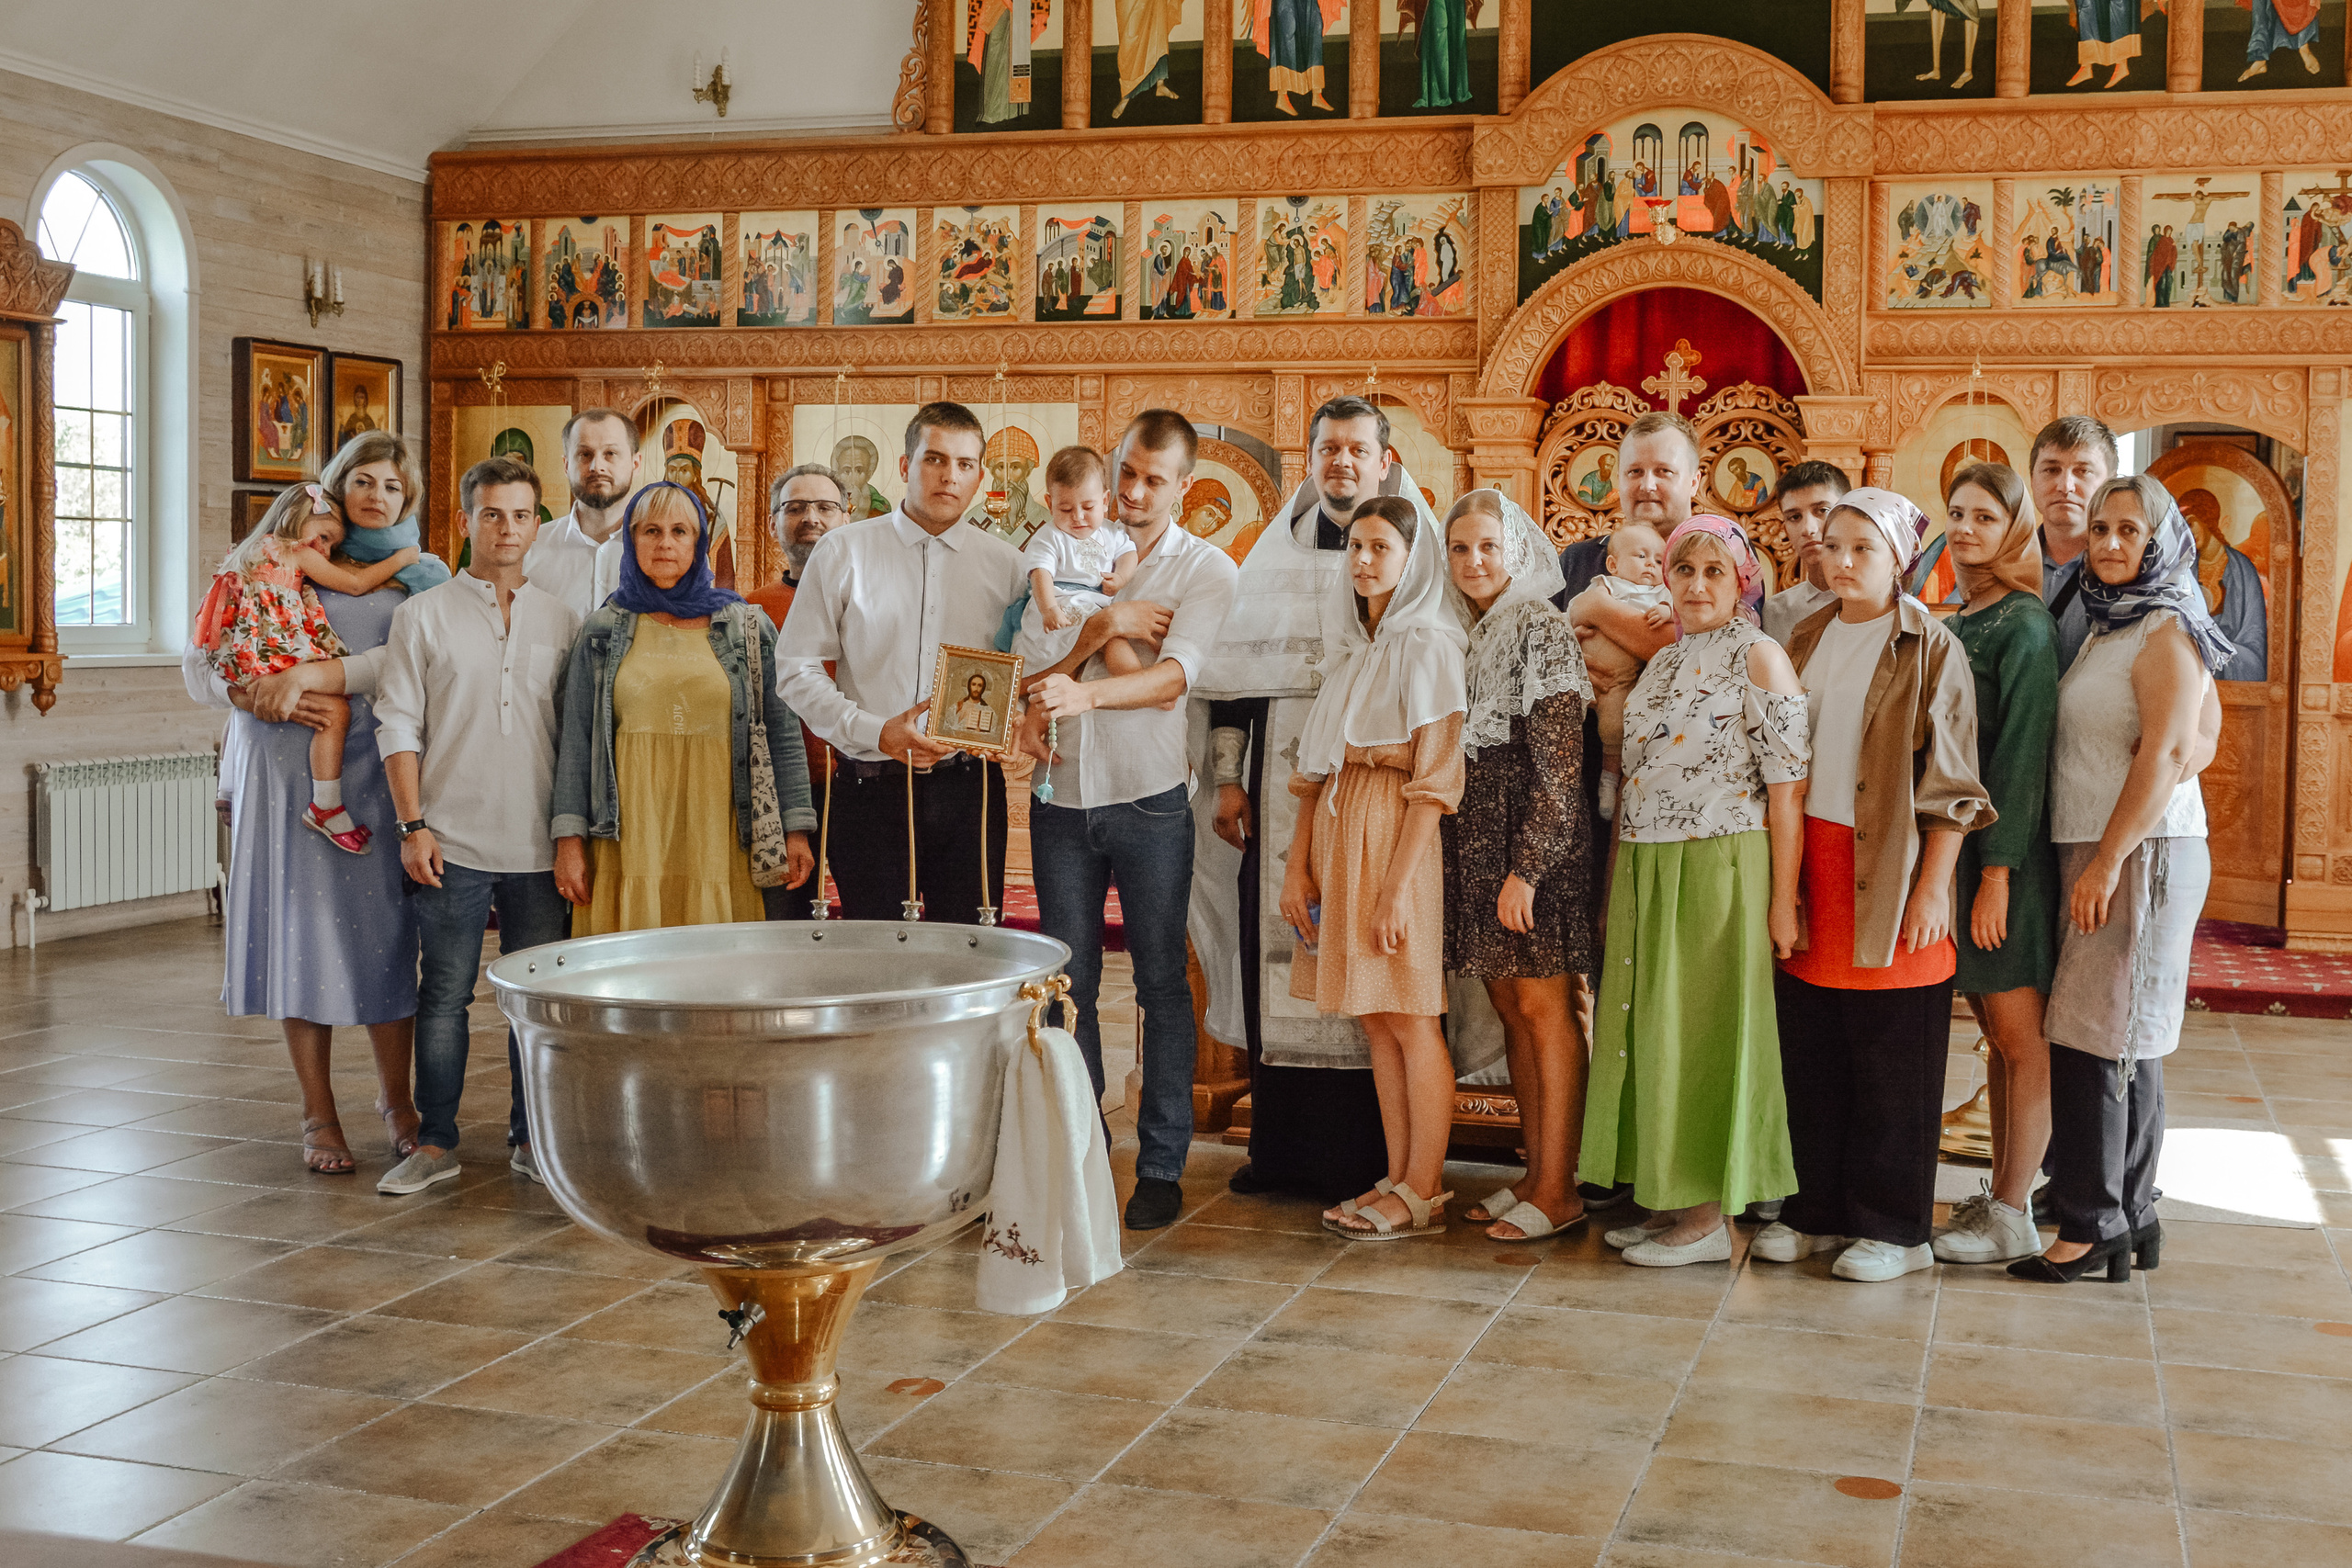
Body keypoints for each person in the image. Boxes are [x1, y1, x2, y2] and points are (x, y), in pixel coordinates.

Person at [1196, 397, 1429, 1204]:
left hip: (1378, 803)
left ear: (1385, 461)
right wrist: (1228, 778)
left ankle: (1382, 1158)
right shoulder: (1269, 561)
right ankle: (1282, 1148)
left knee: (1369, 961)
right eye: (1328, 448)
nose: (1343, 462)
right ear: (1310, 459)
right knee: (1285, 946)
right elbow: (1232, 685)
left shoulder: (1412, 554)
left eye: (1358, 449)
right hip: (1282, 791)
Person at [184, 432, 432, 1174]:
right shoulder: (280, 552)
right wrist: (245, 689)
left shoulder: (421, 576)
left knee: (383, 937)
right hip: (282, 767)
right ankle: (318, 1113)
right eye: (362, 479)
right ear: (337, 484)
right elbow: (200, 660)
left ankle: (399, 1101)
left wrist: (314, 677)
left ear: (406, 498)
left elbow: (417, 666)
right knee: (300, 935)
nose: (376, 494)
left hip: (374, 771)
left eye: (392, 485)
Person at [1764, 489, 1994, 1282]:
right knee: (1817, 1046)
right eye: (1833, 545)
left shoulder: (1932, 648)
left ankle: (1894, 1226)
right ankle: (1818, 1210)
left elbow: (1956, 784)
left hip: (1893, 865)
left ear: (1899, 558)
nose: (1844, 560)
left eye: (1863, 547)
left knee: (1893, 1051)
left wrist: (1935, 886)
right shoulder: (1804, 635)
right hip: (1813, 862)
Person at [1019, 411, 1240, 1231]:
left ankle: (1160, 1163)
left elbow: (1174, 678)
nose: (1135, 492)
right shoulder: (1065, 553)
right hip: (1059, 797)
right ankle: (1081, 1149)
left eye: (1155, 479)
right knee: (1069, 986)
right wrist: (1103, 628)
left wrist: (1084, 686)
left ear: (1186, 486)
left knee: (1157, 981)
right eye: (1127, 474)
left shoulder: (1207, 568)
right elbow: (1024, 669)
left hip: (1150, 798)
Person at [2015, 475, 2227, 1283]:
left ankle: (2090, 1220)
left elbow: (2169, 754)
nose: (2107, 542)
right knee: (2118, 1030)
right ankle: (2130, 1216)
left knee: (2095, 1033)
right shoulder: (2114, 620)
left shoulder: (2167, 624)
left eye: (2128, 530)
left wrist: (2107, 859)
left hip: (2140, 850)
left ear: (2161, 540)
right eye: (2099, 528)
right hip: (2099, 846)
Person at [1583, 516, 1807, 1266]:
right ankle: (1670, 1194)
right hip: (1649, 862)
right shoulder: (1664, 664)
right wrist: (1617, 879)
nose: (1698, 585)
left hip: (1721, 861)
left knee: (1704, 1031)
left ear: (1742, 578)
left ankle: (1709, 1217)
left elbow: (1786, 790)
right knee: (1652, 1029)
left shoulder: (1762, 657)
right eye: (1685, 570)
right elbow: (1633, 778)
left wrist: (1781, 899)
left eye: (1715, 571)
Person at [372, 456, 582, 1196]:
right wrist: (412, 824)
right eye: (492, 513)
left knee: (537, 1002)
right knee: (446, 994)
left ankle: (532, 1140)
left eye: (522, 514)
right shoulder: (420, 616)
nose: (507, 528)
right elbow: (397, 723)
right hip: (448, 838)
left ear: (537, 524)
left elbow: (576, 737)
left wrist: (571, 836)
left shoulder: (563, 618)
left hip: (537, 842)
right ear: (464, 521)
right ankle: (435, 1142)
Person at [1281, 494, 1467, 1238]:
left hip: (1397, 837)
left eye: (1380, 547)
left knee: (1413, 1015)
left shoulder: (1429, 644)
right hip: (1341, 830)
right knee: (1377, 1020)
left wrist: (1395, 892)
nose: (1363, 560)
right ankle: (1396, 1174)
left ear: (1412, 557)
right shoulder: (1357, 649)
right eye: (1355, 545)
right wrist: (1298, 867)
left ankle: (1424, 1188)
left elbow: (1437, 781)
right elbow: (1314, 773)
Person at [777, 402, 1035, 923]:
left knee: (968, 950)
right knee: (879, 960)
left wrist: (1022, 711)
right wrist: (876, 731)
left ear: (981, 476)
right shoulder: (843, 551)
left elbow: (1033, 662)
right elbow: (797, 668)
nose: (950, 475)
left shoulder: (1008, 566)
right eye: (935, 459)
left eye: (965, 464)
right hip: (869, 788)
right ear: (904, 466)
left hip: (970, 788)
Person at [553, 482, 816, 932]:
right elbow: (577, 739)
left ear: (699, 543)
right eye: (651, 530)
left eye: (680, 531)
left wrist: (795, 828)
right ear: (631, 540)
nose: (666, 543)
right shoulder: (602, 629)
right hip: (627, 836)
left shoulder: (746, 626)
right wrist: (569, 841)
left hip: (722, 832)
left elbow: (783, 734)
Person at [1442, 491, 1596, 1243]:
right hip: (1480, 846)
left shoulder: (1540, 624)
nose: (1475, 562)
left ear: (1518, 551)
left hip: (1535, 849)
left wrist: (1528, 867)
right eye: (1461, 548)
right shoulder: (1467, 628)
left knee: (1545, 1009)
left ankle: (1561, 1187)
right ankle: (1535, 1171)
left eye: (1488, 547)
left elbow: (1560, 765)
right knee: (1511, 1010)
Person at [1931, 463, 2063, 1264]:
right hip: (1961, 851)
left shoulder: (2024, 624)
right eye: (1956, 513)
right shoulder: (1960, 613)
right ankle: (1999, 1195)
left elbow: (2019, 756)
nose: (1967, 528)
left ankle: (2015, 1206)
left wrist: (1998, 873)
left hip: (2001, 857)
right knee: (1990, 1032)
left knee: (2020, 1039)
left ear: (2014, 528)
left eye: (1985, 516)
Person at [193, 482, 419, 854]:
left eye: (331, 544)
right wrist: (403, 559)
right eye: (324, 536)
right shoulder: (293, 551)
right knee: (334, 712)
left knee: (251, 702)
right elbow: (355, 583)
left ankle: (227, 785)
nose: (325, 550)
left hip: (242, 658)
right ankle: (326, 805)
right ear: (299, 518)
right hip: (270, 656)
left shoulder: (246, 553)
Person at [743, 464, 849, 919]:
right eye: (796, 507)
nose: (812, 517)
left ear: (847, 519)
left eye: (826, 507)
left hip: (858, 783)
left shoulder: (869, 597)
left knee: (873, 921)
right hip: (778, 790)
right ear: (772, 523)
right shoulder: (748, 608)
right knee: (781, 923)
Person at [1566, 523, 1669, 822]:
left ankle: (1610, 781)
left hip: (1626, 682)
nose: (1651, 564)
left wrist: (1665, 610)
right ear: (1613, 564)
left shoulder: (1662, 593)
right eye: (1641, 556)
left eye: (1659, 560)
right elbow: (1574, 610)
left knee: (1614, 729)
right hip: (1587, 680)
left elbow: (1671, 626)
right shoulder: (1606, 585)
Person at [1012, 447, 1146, 675]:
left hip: (1095, 606)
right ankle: (1141, 684)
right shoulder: (1050, 536)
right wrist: (1049, 608)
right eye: (1065, 508)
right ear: (1049, 502)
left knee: (1110, 644)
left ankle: (1141, 685)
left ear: (1104, 500)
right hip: (1062, 606)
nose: (1078, 517)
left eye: (1088, 507)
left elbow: (1128, 553)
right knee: (1060, 670)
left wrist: (1122, 577)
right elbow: (1040, 573)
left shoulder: (1111, 531)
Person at [521, 408, 641, 620]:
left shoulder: (665, 551)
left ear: (635, 463)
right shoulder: (530, 549)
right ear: (567, 465)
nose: (597, 466)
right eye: (584, 455)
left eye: (610, 454)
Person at [2028, 414, 2114, 671]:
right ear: (2032, 478)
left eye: (2083, 471)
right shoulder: (2002, 562)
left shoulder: (2134, 568)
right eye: (2051, 470)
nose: (2065, 486)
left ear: (2111, 482)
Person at [1760, 460, 1851, 643]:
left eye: (1822, 510)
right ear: (1785, 528)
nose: (1808, 529)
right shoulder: (1775, 613)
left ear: (1849, 514)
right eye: (1794, 517)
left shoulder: (1884, 606)